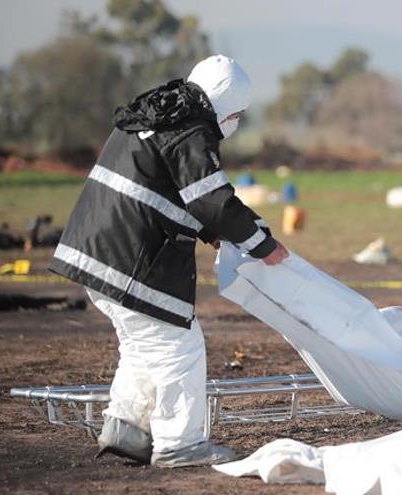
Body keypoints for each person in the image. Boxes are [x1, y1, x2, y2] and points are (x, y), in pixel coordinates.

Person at [50, 55, 289, 468]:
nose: (233, 123)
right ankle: (180, 443)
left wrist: (208, 230)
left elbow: (166, 190)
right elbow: (213, 200)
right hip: (133, 258)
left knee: (144, 345)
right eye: (235, 114)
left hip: (96, 250)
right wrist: (263, 244)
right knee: (179, 346)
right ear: (226, 105)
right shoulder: (189, 128)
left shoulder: (159, 113)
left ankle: (127, 431)